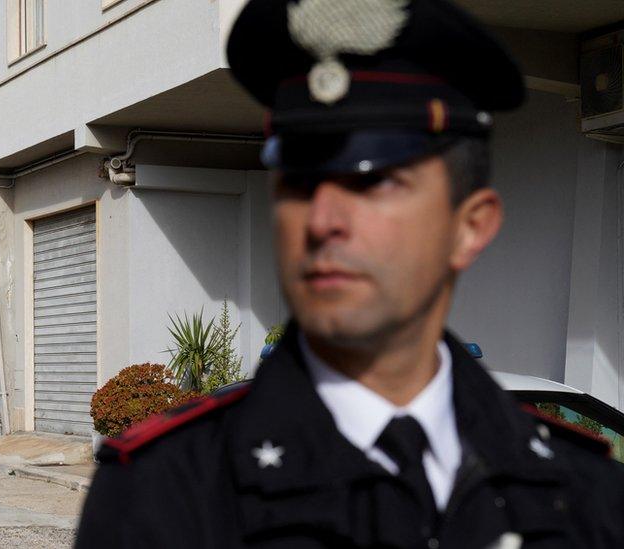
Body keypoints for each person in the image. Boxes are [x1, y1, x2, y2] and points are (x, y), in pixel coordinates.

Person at [76, 0, 624, 547]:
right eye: (299, 182)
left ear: (470, 226)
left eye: (375, 183)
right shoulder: (159, 493)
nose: (322, 221)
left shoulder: (584, 494)